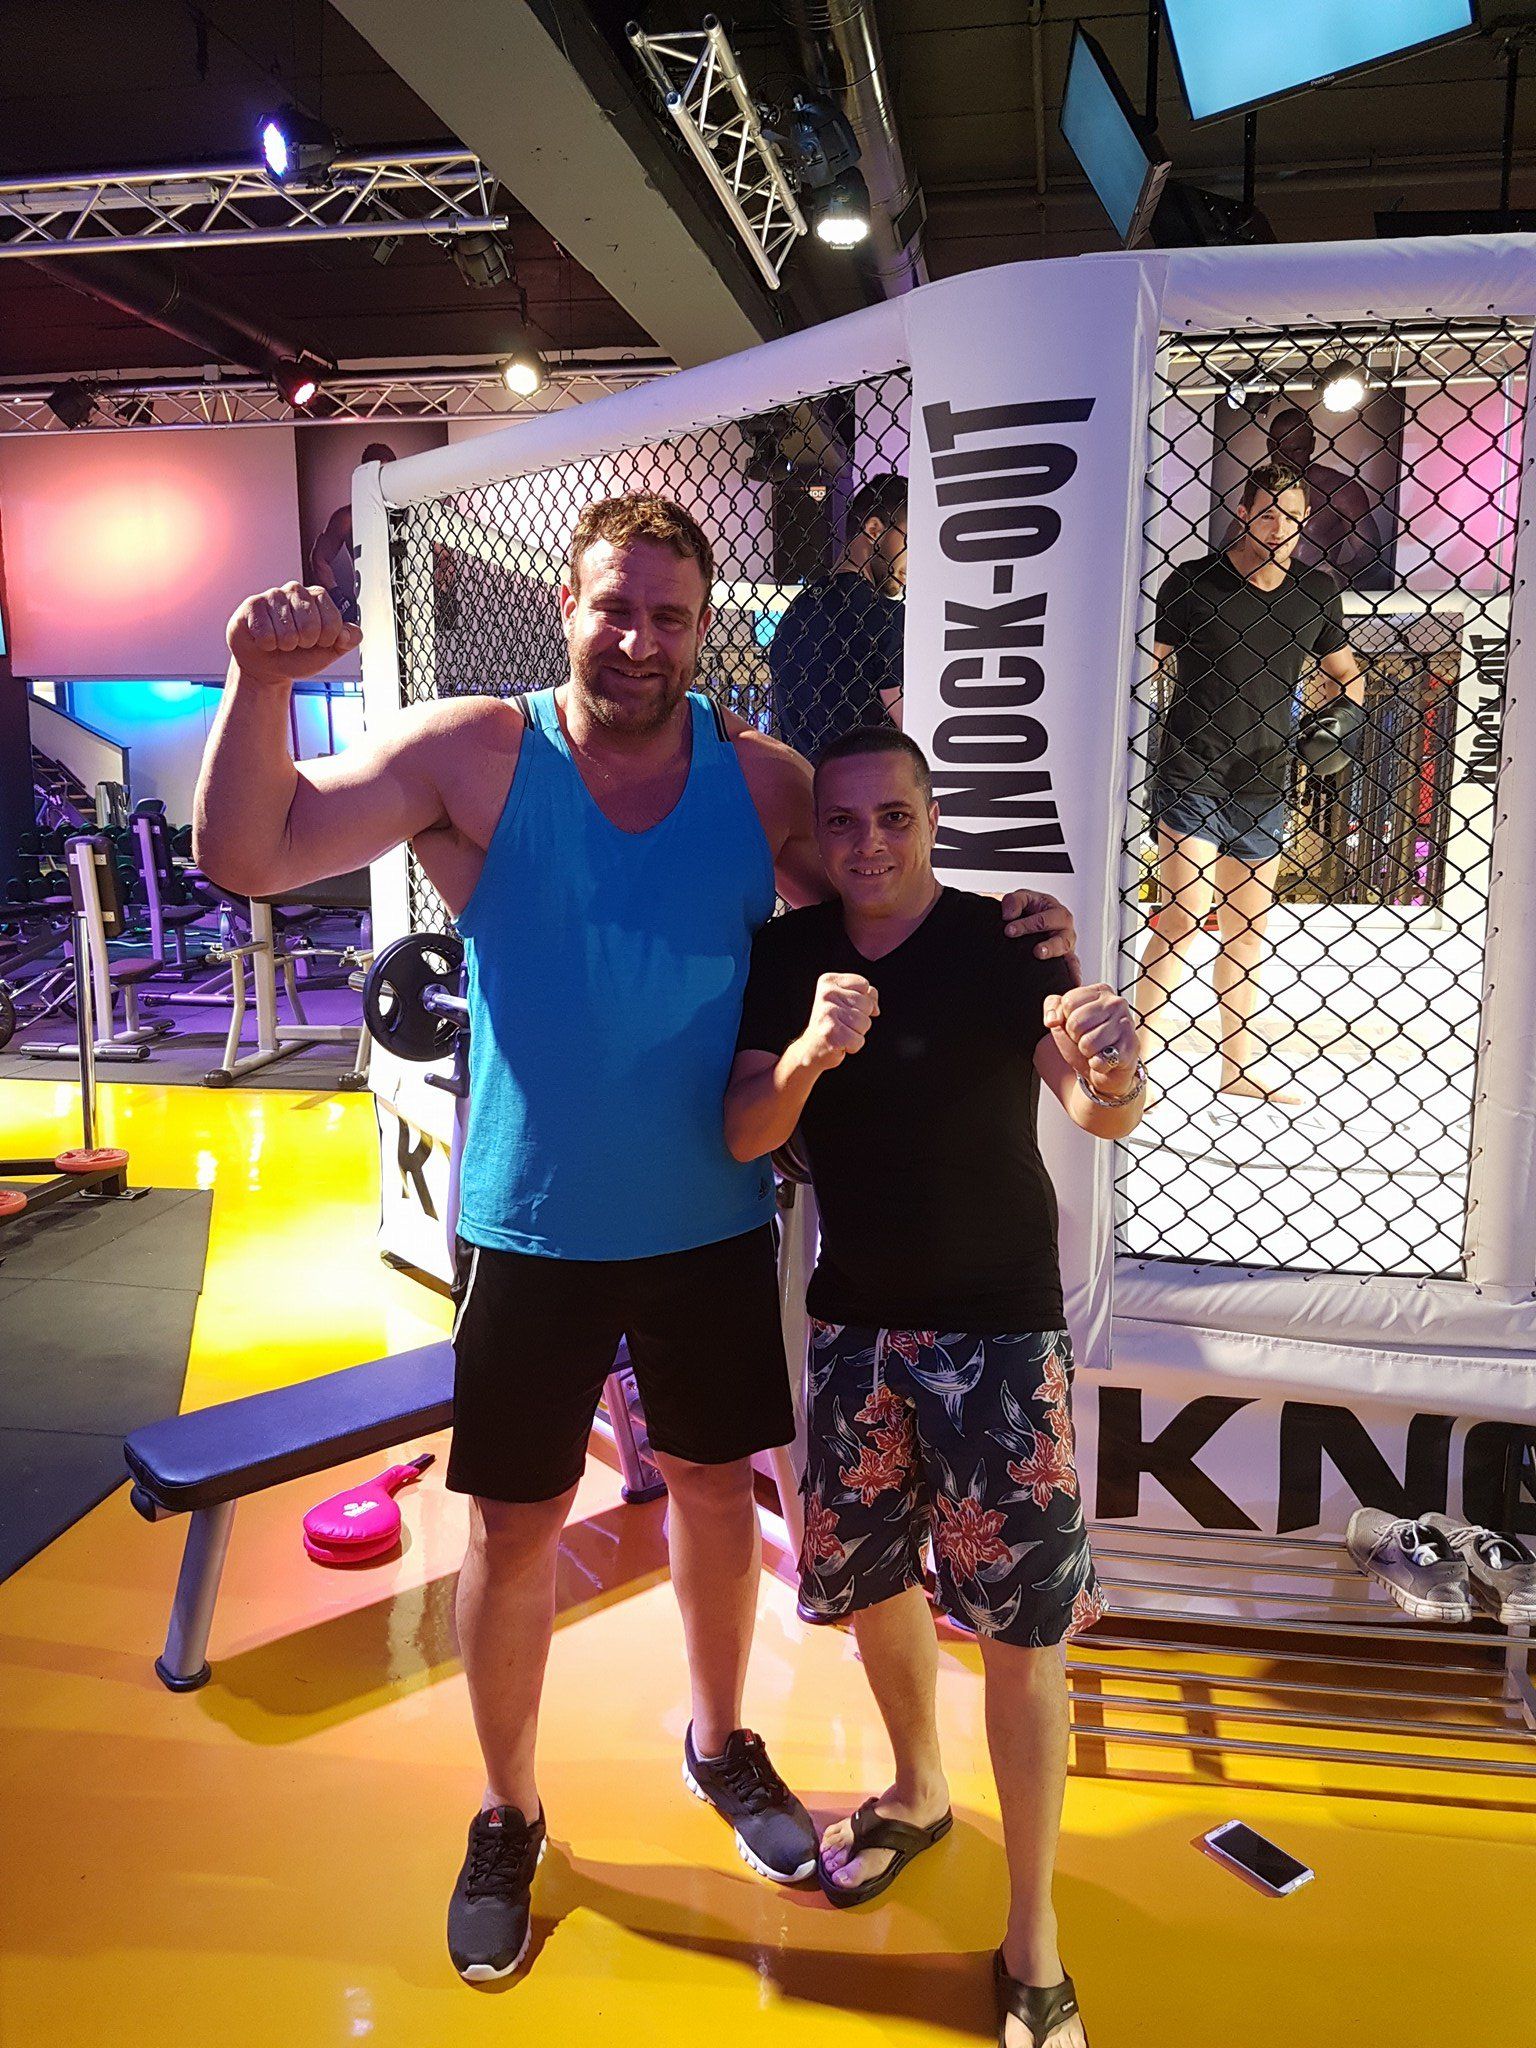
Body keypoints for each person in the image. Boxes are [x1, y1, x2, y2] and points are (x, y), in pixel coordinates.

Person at [192, 491, 1079, 1987]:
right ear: (569, 604)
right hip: (532, 1220)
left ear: (704, 625)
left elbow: (889, 901)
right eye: (617, 607)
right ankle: (508, 1811)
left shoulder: (762, 779)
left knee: (718, 1495)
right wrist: (258, 680)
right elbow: (255, 852)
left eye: (671, 615)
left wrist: (1019, 941)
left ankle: (721, 1739)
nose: (641, 639)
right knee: (517, 1525)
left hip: (709, 1215)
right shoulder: (478, 752)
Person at [724, 726, 1145, 2048]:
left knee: (1024, 1633)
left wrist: (1114, 1058)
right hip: (855, 1326)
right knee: (871, 1584)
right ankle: (916, 1787)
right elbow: (744, 1129)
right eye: (843, 822)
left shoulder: (1004, 939)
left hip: (1001, 1331)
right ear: (819, 836)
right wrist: (808, 1054)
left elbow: (1097, 1110)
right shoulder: (788, 955)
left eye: (893, 817)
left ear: (932, 817)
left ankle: (1034, 1931)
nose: (868, 844)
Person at [1136, 459, 1364, 1105]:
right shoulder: (1192, 582)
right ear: (1243, 513)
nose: (1280, 527)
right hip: (1193, 768)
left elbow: (1348, 674)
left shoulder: (1315, 593)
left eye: (1291, 516)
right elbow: (1145, 666)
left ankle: (1236, 1068)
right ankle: (1134, 1059)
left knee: (1248, 929)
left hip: (1265, 779)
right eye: (1268, 513)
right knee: (1183, 914)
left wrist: (1339, 723)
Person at [769, 472, 907, 758]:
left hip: (807, 780)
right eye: (912, 541)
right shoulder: (887, 619)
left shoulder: (794, 614)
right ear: (874, 529)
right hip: (873, 780)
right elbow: (918, 732)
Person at [308, 441, 397, 622]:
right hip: (369, 605)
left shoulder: (411, 511)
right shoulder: (348, 517)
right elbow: (319, 558)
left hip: (409, 601)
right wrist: (339, 600)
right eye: (377, 476)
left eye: (387, 475)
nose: (381, 483)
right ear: (366, 476)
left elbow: (441, 553)